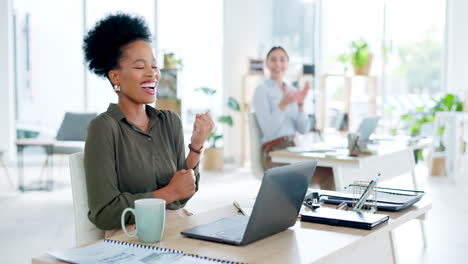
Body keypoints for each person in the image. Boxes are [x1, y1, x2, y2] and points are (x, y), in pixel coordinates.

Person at [82, 13, 214, 232]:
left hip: (175, 229)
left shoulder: (170, 121)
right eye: (139, 66)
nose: (151, 74)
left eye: (154, 66)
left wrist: (197, 145)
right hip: (131, 239)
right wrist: (169, 192)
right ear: (115, 77)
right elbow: (104, 213)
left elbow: (182, 195)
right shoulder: (103, 128)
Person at [253, 46, 335, 190]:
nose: (278, 64)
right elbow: (268, 130)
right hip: (274, 152)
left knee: (329, 172)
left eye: (282, 60)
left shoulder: (292, 91)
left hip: (293, 149)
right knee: (322, 174)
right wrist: (283, 105)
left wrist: (301, 105)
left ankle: (329, 212)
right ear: (266, 64)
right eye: (273, 60)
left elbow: (304, 129)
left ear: (287, 64)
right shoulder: (261, 91)